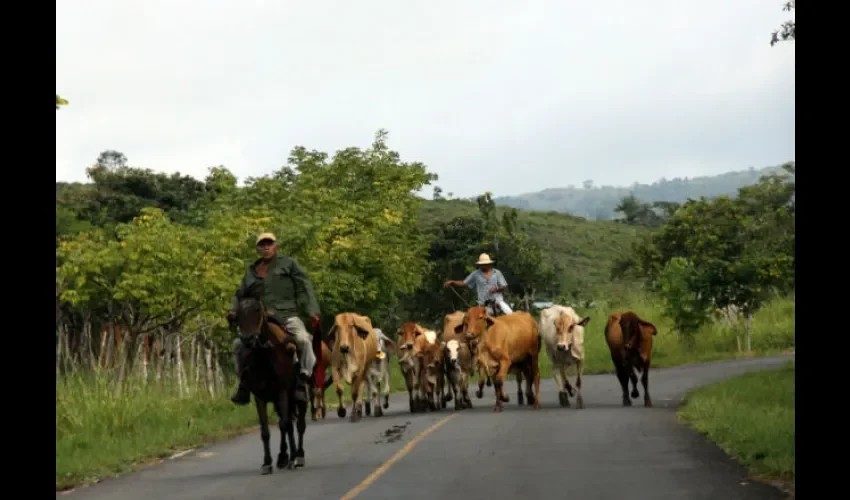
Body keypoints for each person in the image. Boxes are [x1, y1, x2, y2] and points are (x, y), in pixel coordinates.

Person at [226, 232, 321, 406]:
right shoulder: (251, 271)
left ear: (275, 246)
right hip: (260, 319)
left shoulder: (289, 264)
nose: (266, 247)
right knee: (238, 346)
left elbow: (303, 287)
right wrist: (233, 310)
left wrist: (311, 309)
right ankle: (244, 386)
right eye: (262, 244)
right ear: (258, 249)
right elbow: (240, 294)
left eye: (269, 243)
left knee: (304, 340)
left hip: (286, 315)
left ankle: (304, 379)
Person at [443, 253, 513, 316]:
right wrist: (453, 282)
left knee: (511, 314)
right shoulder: (475, 274)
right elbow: (464, 283)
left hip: (498, 302)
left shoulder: (497, 273)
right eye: (481, 264)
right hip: (483, 305)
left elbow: (504, 286)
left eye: (485, 264)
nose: (483, 266)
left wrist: (496, 288)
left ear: (489, 264)